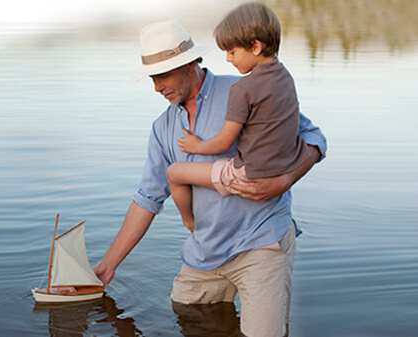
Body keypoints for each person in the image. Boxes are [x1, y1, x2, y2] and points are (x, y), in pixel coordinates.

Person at [91, 16, 327, 337]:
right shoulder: (162, 129)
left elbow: (313, 138)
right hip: (204, 252)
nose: (157, 87)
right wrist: (108, 265)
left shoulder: (246, 90)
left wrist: (285, 181)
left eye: (163, 76)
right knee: (187, 315)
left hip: (261, 242)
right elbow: (147, 199)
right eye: (152, 78)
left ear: (190, 64)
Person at [167, 3, 313, 232]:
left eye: (232, 51)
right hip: (283, 166)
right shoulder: (286, 77)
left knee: (174, 173)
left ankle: (191, 224)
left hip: (248, 175)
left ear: (255, 46)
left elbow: (224, 142)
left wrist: (197, 145)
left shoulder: (243, 88)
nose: (227, 59)